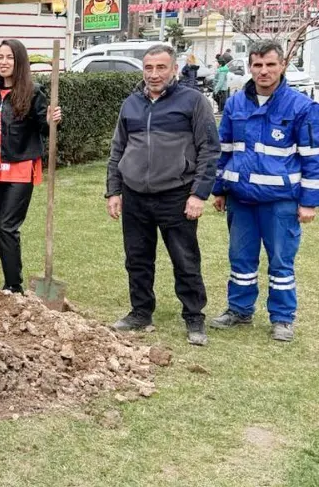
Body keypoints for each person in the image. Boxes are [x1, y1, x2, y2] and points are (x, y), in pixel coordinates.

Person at [105, 43, 220, 346]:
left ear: (174, 69)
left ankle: (194, 317)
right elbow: (118, 149)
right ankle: (140, 313)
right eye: (149, 68)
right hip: (135, 195)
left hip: (176, 195)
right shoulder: (131, 104)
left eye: (161, 68)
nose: (154, 74)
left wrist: (199, 194)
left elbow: (209, 149)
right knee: (137, 259)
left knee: (185, 260)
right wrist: (113, 190)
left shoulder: (193, 102)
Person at [209, 40, 319, 342]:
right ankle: (239, 310)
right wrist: (219, 189)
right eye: (257, 65)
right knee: (240, 259)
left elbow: (313, 158)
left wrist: (309, 202)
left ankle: (282, 318)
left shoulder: (301, 107)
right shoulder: (235, 104)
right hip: (241, 199)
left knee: (281, 262)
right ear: (249, 67)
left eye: (270, 64)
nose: (264, 71)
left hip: (280, 202)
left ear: (282, 65)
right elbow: (224, 150)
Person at [0, 39, 62, 293]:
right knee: (2, 228)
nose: (3, 62)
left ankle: (14, 285)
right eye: (0, 57)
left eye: (9, 57)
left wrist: (51, 120)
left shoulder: (33, 92)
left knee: (8, 226)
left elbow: (44, 128)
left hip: (21, 166)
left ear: (19, 61)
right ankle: (10, 283)